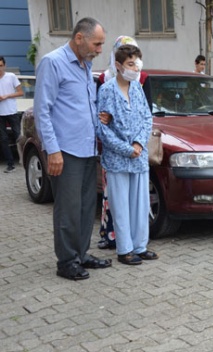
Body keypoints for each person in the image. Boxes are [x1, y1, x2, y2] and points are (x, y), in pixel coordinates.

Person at [34, 17, 112, 280]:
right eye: (97, 43)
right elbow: (42, 111)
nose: (100, 49)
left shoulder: (85, 65)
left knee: (86, 206)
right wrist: (52, 150)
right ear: (79, 38)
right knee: (67, 207)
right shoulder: (53, 62)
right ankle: (66, 261)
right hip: (65, 151)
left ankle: (81, 253)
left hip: (88, 149)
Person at [96, 43, 158, 265]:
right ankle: (124, 250)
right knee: (120, 205)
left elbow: (146, 118)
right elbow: (102, 128)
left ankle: (140, 246)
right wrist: (126, 149)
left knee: (141, 204)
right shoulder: (107, 90)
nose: (135, 68)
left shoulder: (137, 88)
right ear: (118, 65)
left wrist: (139, 144)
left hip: (139, 157)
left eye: (137, 63)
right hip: (118, 159)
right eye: (130, 64)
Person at [0, 56, 24, 173]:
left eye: (0, 65)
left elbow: (20, 92)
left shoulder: (11, 76)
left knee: (18, 136)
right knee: (3, 139)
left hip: (12, 111)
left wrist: (6, 96)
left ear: (4, 65)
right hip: (0, 114)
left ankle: (24, 159)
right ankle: (10, 164)